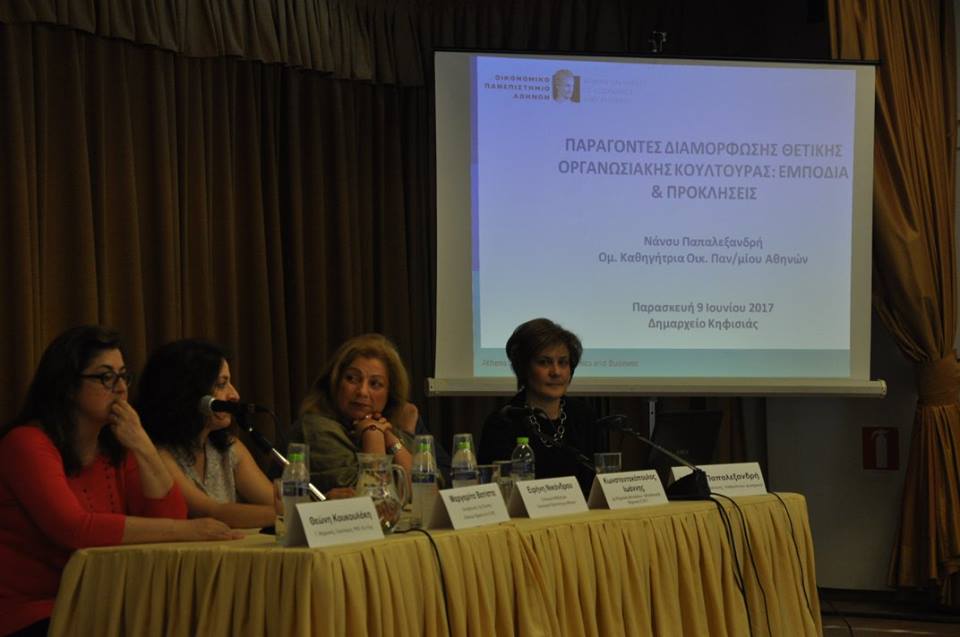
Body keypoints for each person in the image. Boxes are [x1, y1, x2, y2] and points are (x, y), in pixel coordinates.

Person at [0, 326, 239, 637]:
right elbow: (74, 529)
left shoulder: (116, 447)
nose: (121, 388)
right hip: (36, 612)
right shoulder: (26, 443)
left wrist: (143, 445)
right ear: (68, 386)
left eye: (124, 376)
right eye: (106, 377)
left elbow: (169, 519)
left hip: (104, 606)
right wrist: (192, 529)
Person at [137, 338, 282, 529]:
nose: (234, 395)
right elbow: (211, 513)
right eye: (222, 384)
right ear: (189, 392)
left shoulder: (229, 448)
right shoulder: (158, 454)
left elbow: (275, 500)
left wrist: (311, 509)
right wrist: (291, 513)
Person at [291, 334, 450, 492]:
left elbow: (428, 491)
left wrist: (390, 438)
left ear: (390, 393)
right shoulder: (317, 428)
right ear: (335, 381)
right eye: (352, 379)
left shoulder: (388, 426)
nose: (362, 391)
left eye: (375, 384)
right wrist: (373, 434)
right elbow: (374, 497)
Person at [479, 318, 607, 493]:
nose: (556, 372)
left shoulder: (583, 416)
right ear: (524, 368)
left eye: (563, 362)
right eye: (544, 362)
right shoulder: (504, 422)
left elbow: (599, 484)